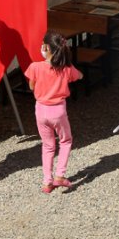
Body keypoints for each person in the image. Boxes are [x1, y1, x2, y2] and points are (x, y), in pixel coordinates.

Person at [24, 32, 82, 193]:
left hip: (40, 110)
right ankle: (60, 175)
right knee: (65, 141)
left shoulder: (35, 67)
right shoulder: (67, 68)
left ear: (46, 48)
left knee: (48, 145)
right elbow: (78, 76)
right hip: (58, 111)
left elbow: (31, 86)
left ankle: (47, 181)